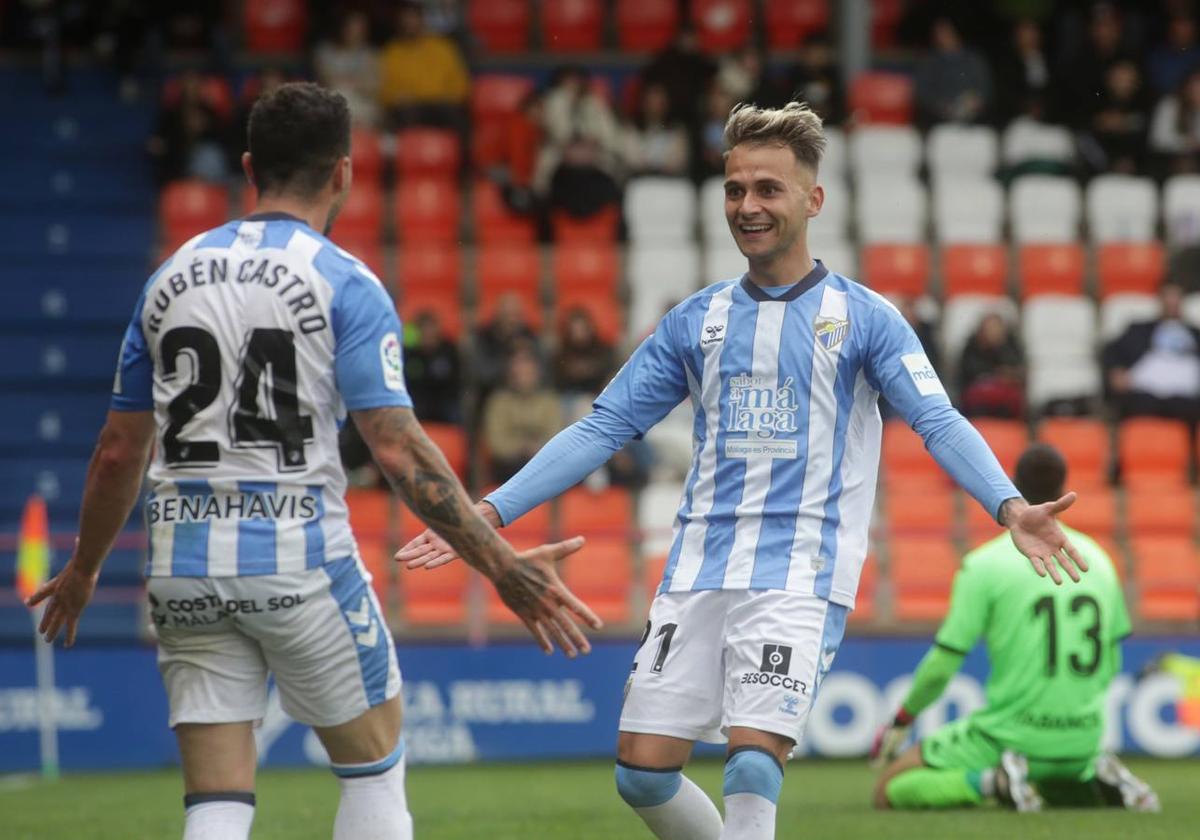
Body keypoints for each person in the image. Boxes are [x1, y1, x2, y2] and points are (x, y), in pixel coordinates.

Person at [400, 100, 1088, 840]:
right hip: (697, 566)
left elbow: (938, 420)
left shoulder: (866, 319)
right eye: (735, 190)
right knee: (640, 771)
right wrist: (491, 512)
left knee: (752, 761)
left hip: (801, 572)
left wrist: (1009, 506)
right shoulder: (695, 321)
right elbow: (605, 426)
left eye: (768, 189)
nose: (748, 205)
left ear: (812, 200)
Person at [25, 83, 599, 840]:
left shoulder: (168, 278)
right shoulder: (345, 283)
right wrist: (502, 566)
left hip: (183, 568)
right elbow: (397, 449)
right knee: (374, 774)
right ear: (344, 174)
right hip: (297, 563)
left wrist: (87, 568)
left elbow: (117, 451)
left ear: (249, 165)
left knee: (217, 801)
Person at [871, 444, 1159, 814]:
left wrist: (902, 719)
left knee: (891, 786)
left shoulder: (985, 563)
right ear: (1063, 491)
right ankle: (1091, 775)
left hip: (1010, 737)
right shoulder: (1099, 560)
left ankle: (995, 781)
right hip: (1083, 739)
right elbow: (1111, 662)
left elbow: (944, 663)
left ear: (1011, 484)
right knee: (1054, 782)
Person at [1102, 282, 1200, 424]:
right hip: (1145, 396)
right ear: (1160, 300)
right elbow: (1111, 350)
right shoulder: (1139, 330)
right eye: (1167, 296)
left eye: (1176, 296)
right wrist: (1116, 370)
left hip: (1188, 399)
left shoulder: (1195, 334)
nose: (1171, 302)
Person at [378, 1, 469, 131]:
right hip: (411, 107)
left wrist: (450, 97)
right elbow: (385, 90)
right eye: (406, 19)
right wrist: (396, 97)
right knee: (403, 116)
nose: (409, 23)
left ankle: (463, 152)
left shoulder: (443, 47)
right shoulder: (392, 52)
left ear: (422, 20)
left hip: (441, 105)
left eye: (413, 18)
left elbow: (460, 84)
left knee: (457, 117)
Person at [482, 348, 564, 483]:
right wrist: (523, 448)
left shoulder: (549, 401)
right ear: (510, 375)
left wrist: (537, 448)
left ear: (537, 374)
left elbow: (557, 436)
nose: (524, 378)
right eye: (519, 374)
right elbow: (496, 444)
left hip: (544, 463)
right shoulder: (498, 401)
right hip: (509, 467)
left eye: (528, 373)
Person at [913, 17, 992, 127]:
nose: (943, 36)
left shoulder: (973, 59)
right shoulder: (929, 61)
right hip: (939, 121)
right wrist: (942, 106)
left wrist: (975, 101)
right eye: (939, 32)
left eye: (946, 31)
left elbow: (985, 89)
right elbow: (923, 94)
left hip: (972, 120)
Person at [315, 10, 381, 127]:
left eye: (359, 28)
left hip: (362, 103)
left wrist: (347, 81)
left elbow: (372, 86)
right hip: (333, 101)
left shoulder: (371, 54)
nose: (354, 32)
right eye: (351, 27)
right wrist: (356, 80)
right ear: (342, 28)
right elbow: (327, 80)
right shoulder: (325, 52)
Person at [958, 312, 1025, 418]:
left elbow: (1017, 370)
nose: (994, 332)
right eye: (990, 328)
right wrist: (997, 374)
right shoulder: (972, 347)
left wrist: (1000, 349)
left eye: (997, 328)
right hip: (979, 400)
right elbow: (969, 373)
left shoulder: (1010, 346)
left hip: (1006, 401)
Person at [403, 308, 462, 424]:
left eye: (431, 328)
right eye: (424, 329)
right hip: (418, 402)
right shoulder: (409, 353)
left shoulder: (449, 350)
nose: (428, 333)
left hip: (444, 402)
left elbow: (457, 382)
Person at [1150, 67, 1200, 174]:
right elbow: (1158, 140)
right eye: (1195, 85)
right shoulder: (1170, 105)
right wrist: (1185, 143)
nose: (1197, 90)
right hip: (1169, 159)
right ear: (1186, 86)